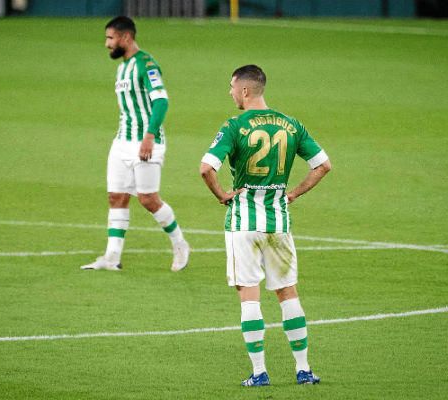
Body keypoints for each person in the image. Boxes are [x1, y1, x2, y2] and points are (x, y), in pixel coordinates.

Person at [199, 65, 331, 386]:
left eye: (232, 87)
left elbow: (206, 169)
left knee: (249, 295)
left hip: (244, 222)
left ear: (245, 91)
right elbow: (323, 165)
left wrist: (223, 196)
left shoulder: (234, 125)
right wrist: (294, 193)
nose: (230, 93)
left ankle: (259, 373)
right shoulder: (291, 124)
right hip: (279, 221)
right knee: (288, 294)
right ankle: (303, 369)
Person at [81, 16, 189, 272]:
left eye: (110, 38)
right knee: (116, 196)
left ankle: (180, 244)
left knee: (148, 199)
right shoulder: (122, 68)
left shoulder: (146, 65)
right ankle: (111, 257)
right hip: (121, 141)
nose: (107, 44)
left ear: (125, 37)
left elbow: (161, 101)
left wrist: (149, 136)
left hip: (146, 142)